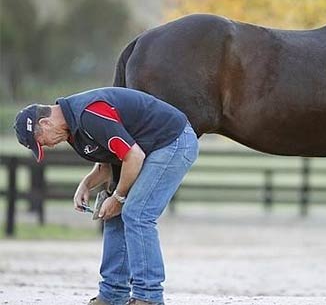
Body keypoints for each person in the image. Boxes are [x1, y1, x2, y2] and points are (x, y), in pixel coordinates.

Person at [14, 87, 199, 305]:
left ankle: (148, 297)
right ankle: (113, 295)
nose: (49, 145)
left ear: (45, 123)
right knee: (113, 214)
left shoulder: (89, 114)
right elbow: (108, 162)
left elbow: (133, 156)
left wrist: (119, 197)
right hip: (149, 149)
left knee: (137, 213)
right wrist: (86, 184)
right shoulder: (72, 128)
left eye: (42, 141)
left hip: (173, 142)